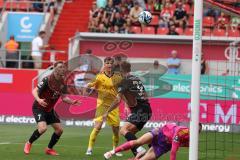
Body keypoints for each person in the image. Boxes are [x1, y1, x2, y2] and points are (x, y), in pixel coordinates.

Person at [24, 61, 80, 156]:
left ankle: (49, 149)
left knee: (59, 130)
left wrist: (72, 102)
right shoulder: (47, 79)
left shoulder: (63, 83)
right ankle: (28, 143)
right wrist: (39, 99)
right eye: (60, 67)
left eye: (63, 67)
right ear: (55, 68)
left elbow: (64, 97)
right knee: (42, 129)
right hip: (39, 107)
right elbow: (35, 90)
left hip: (49, 110)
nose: (62, 69)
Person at [102, 61, 152, 156]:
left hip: (139, 110)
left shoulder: (124, 81)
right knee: (130, 134)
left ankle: (140, 150)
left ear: (121, 70)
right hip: (146, 109)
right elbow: (145, 95)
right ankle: (142, 154)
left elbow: (117, 100)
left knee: (123, 130)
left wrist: (107, 112)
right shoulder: (136, 78)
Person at [85, 57, 123, 156]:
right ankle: (89, 149)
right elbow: (92, 85)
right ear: (104, 65)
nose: (109, 65)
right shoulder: (99, 77)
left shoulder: (118, 77)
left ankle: (115, 150)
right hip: (101, 105)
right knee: (97, 127)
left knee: (115, 130)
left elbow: (122, 91)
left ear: (113, 65)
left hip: (113, 106)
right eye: (107, 63)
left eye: (111, 63)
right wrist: (89, 85)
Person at [104, 123, 202, 160]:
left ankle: (139, 155)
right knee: (137, 142)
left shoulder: (192, 142)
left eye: (198, 131)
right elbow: (173, 151)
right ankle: (112, 152)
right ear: (190, 128)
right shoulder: (181, 132)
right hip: (159, 133)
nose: (195, 132)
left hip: (163, 146)